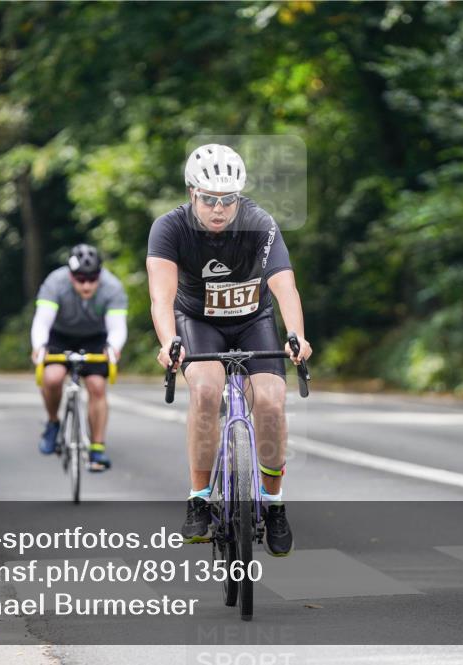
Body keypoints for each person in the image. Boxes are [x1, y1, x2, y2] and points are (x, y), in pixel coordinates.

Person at [146, 144, 312, 557]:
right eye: (208, 199)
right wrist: (169, 342)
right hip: (197, 323)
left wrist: (296, 334)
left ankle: (273, 503)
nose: (218, 209)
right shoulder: (168, 228)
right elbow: (160, 296)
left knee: (271, 402)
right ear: (191, 193)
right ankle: (199, 497)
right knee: (204, 390)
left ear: (239, 197)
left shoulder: (260, 223)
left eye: (228, 200)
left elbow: (284, 284)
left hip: (253, 320)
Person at [30, 244, 128, 472]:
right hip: (60, 336)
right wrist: (39, 346)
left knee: (96, 385)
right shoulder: (55, 282)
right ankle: (53, 422)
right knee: (52, 378)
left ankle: (97, 448)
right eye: (80, 279)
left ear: (100, 275)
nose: (87, 285)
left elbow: (117, 326)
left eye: (92, 279)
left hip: (95, 337)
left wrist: (113, 346)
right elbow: (42, 320)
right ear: (70, 275)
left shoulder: (112, 287)